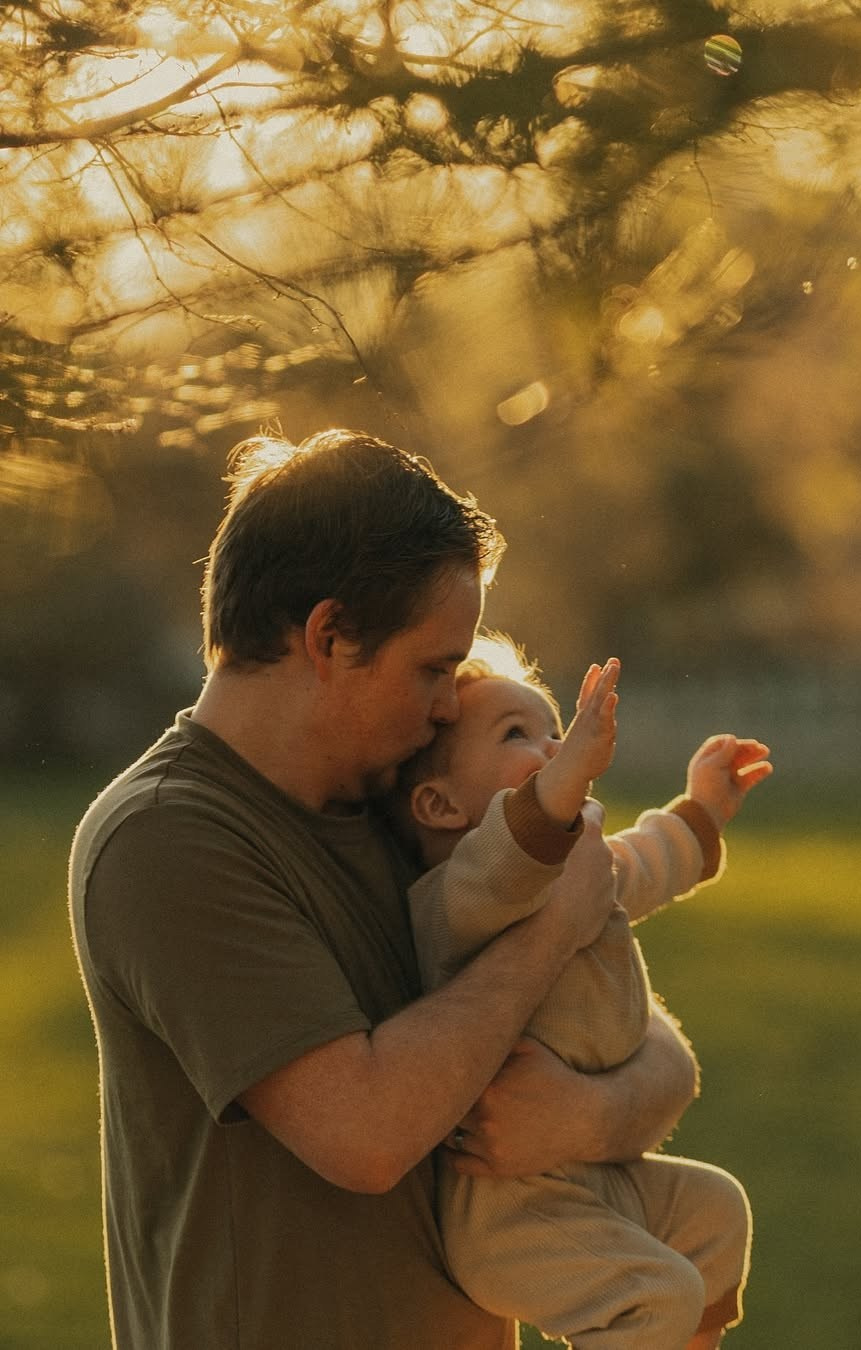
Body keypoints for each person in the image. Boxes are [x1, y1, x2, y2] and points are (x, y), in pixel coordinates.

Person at [67, 429, 704, 1350]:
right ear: (329, 637)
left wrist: (588, 1113)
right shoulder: (167, 841)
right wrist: (551, 930)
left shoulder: (406, 806)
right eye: (434, 668)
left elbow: (647, 1047)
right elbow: (364, 1132)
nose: (453, 705)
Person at [393, 634, 772, 1348]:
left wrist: (702, 809)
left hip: (590, 1173)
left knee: (717, 1211)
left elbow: (644, 863)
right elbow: (517, 842)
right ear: (440, 805)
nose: (550, 746)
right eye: (517, 734)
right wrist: (568, 770)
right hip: (509, 1209)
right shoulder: (457, 895)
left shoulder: (580, 863)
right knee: (655, 1296)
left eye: (554, 732)